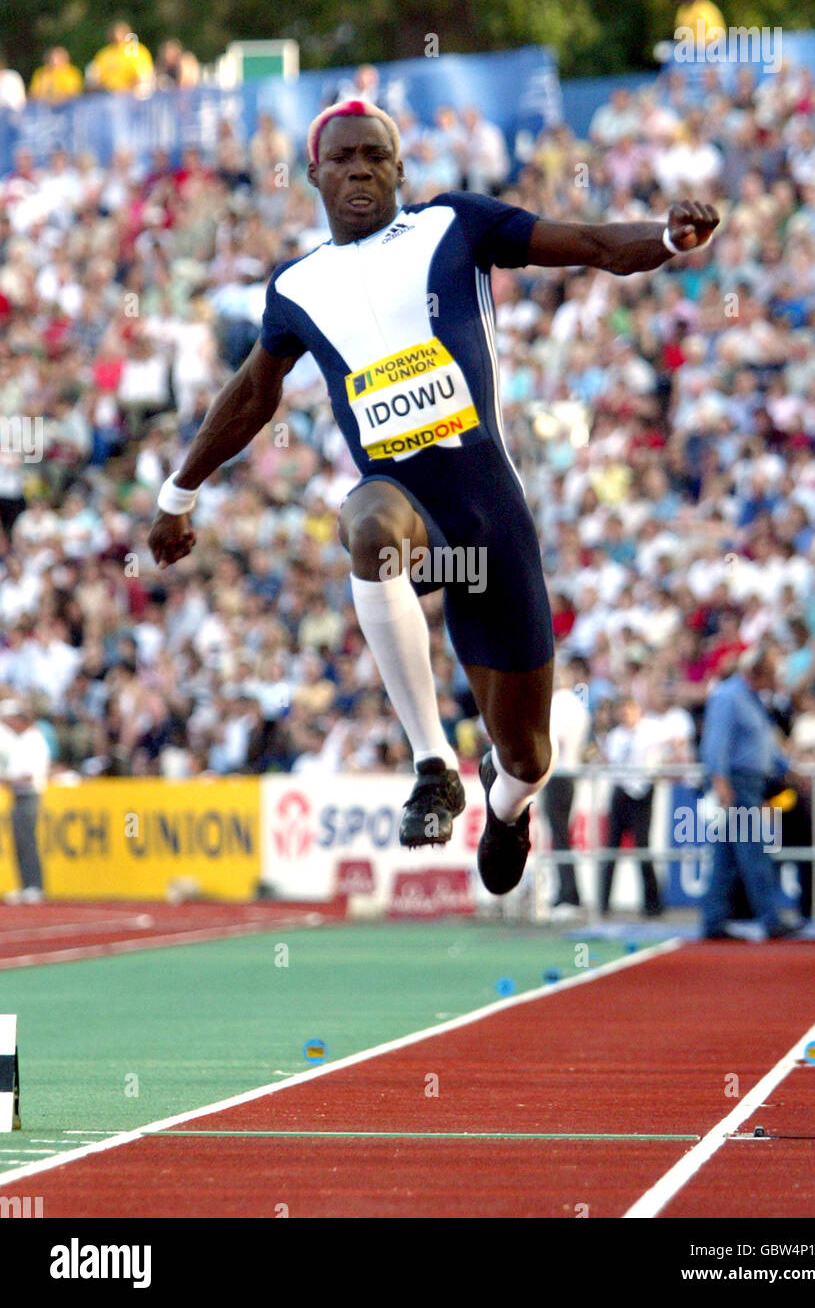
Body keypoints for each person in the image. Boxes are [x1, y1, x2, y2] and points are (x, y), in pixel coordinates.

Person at [148, 96, 719, 895]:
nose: (359, 169)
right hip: (406, 509)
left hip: (490, 523)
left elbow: (590, 242)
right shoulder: (298, 287)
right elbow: (251, 394)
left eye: (374, 156)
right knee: (368, 523)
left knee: (529, 754)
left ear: (399, 170)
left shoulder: (455, 226)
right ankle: (432, 765)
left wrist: (664, 237)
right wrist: (178, 495)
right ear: (313, 173)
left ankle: (507, 802)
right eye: (342, 157)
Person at [699, 646, 802, 940]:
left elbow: (763, 743)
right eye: (771, 673)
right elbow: (715, 741)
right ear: (757, 672)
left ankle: (713, 920)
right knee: (753, 852)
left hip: (750, 784)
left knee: (726, 857)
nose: (776, 679)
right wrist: (719, 779)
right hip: (738, 783)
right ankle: (770, 919)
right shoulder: (728, 696)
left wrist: (788, 768)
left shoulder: (753, 699)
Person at [599, 697, 664, 917]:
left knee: (643, 847)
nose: (626, 716)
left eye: (629, 711)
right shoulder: (616, 736)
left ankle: (652, 904)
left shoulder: (651, 731)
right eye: (622, 712)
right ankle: (603, 903)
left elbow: (657, 759)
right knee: (611, 847)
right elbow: (612, 762)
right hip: (621, 793)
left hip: (643, 791)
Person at [543, 655, 591, 916]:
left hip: (558, 772)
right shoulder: (578, 705)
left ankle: (567, 894)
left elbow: (555, 739)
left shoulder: (559, 705)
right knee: (563, 836)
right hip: (570, 771)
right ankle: (568, 892)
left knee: (559, 837)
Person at [0, 700, 51, 904]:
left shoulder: (34, 741)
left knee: (27, 842)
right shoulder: (20, 740)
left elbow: (29, 776)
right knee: (20, 843)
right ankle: (26, 885)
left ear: (20, 719)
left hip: (28, 796)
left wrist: (5, 778)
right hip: (19, 796)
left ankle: (35, 886)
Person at [87, 21, 154, 94]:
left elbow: (143, 77)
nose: (117, 36)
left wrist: (124, 89)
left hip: (132, 95)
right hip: (107, 96)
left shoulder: (137, 51)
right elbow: (93, 79)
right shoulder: (104, 54)